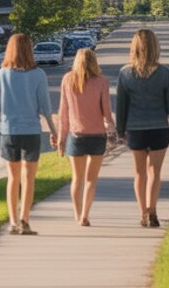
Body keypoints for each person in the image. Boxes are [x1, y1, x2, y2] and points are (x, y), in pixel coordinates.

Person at [0, 33, 56, 235]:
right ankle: (25, 220)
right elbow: (45, 107)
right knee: (29, 177)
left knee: (13, 177)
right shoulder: (38, 75)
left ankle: (12, 221)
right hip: (31, 131)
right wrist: (54, 131)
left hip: (8, 131)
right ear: (29, 50)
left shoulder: (0, 75)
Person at [117, 29, 169, 228]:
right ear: (156, 47)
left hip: (135, 130)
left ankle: (143, 213)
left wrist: (120, 130)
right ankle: (153, 209)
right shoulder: (165, 74)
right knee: (155, 172)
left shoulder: (125, 73)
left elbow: (122, 105)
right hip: (159, 128)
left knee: (140, 174)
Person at [57, 48, 116, 226]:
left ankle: (77, 214)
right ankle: (85, 214)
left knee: (77, 178)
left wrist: (61, 138)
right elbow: (107, 112)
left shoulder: (68, 80)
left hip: (76, 136)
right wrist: (112, 132)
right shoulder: (102, 82)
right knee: (91, 179)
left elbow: (63, 113)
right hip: (97, 136)